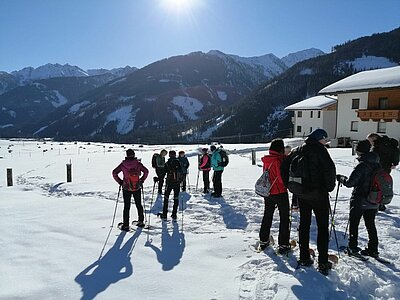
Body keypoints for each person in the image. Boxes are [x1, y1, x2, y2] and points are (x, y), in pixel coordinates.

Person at [281, 128, 336, 275]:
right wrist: (329, 188)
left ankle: (304, 257)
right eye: (325, 140)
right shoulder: (321, 151)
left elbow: (284, 166)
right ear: (320, 139)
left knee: (304, 224)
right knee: (323, 227)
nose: (325, 142)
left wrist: (290, 185)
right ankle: (323, 262)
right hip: (318, 194)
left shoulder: (298, 150)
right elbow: (329, 170)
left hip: (302, 194)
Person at [337, 140, 381, 257]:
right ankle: (373, 248)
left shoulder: (362, 165)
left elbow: (350, 183)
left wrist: (341, 178)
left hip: (360, 199)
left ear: (359, 151)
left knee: (354, 223)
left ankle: (352, 247)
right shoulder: (377, 164)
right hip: (374, 199)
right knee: (370, 224)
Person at [259, 138, 291, 254]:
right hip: (280, 192)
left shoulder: (267, 160)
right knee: (284, 218)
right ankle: (283, 244)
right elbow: (281, 179)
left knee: (267, 215)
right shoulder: (278, 161)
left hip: (268, 192)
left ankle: (263, 240)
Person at [112, 149, 149, 230]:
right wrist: (141, 181)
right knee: (139, 204)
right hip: (137, 187)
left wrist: (120, 182)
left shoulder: (123, 164)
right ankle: (141, 221)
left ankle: (126, 225)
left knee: (127, 206)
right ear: (134, 154)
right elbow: (146, 171)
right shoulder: (138, 164)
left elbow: (114, 173)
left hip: (126, 187)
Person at [369, 134, 400, 211]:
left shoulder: (377, 145)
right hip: (387, 167)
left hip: (378, 168)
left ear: (374, 138)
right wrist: (395, 163)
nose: (370, 143)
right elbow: (396, 153)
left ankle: (376, 203)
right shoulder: (389, 143)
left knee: (375, 185)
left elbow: (373, 157)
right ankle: (381, 203)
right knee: (383, 185)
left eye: (370, 141)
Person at [160, 150, 182, 220]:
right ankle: (174, 214)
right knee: (176, 198)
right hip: (177, 183)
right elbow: (181, 172)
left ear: (169, 155)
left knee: (166, 198)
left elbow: (163, 173)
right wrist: (180, 181)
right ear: (175, 155)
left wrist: (159, 179)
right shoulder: (178, 162)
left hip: (169, 182)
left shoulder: (167, 163)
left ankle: (164, 214)